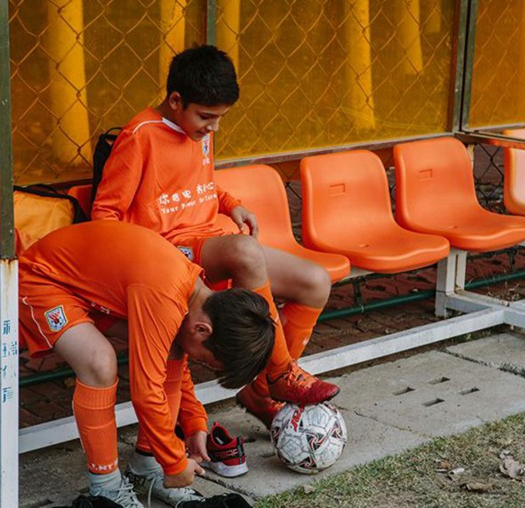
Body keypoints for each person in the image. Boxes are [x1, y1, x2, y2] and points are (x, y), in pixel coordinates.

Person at [91, 45, 339, 429]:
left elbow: (199, 186)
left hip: (211, 240)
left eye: (220, 118)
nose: (213, 127)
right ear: (176, 101)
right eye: (207, 117)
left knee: (314, 282)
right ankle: (280, 372)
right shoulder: (140, 136)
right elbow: (104, 215)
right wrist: (142, 258)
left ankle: (258, 389)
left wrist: (231, 204)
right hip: (168, 253)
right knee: (246, 252)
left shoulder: (198, 130)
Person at [18, 221, 275, 508]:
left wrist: (192, 422)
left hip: (88, 293)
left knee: (172, 350)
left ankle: (146, 465)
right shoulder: (165, 295)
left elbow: (175, 365)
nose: (198, 361)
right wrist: (175, 463)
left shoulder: (194, 298)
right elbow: (146, 391)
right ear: (204, 330)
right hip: (41, 278)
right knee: (99, 362)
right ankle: (105, 487)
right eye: (206, 359)